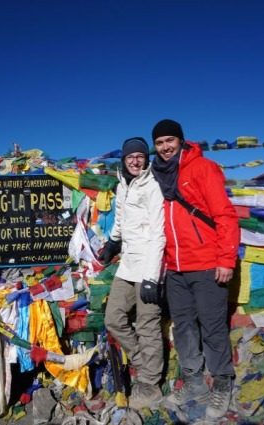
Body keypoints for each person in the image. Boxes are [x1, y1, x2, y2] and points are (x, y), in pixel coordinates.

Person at [150, 119, 240, 421]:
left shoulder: (203, 168)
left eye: (169, 140)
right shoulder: (156, 175)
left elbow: (225, 215)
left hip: (206, 264)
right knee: (184, 327)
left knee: (212, 326)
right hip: (174, 268)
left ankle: (222, 381)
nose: (165, 147)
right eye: (159, 142)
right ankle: (194, 382)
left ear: (180, 140)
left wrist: (226, 259)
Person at [101, 137, 166, 410]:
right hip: (128, 263)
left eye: (140, 156)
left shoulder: (153, 185)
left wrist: (152, 278)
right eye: (130, 157)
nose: (135, 161)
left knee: (148, 325)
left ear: (146, 159)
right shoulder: (122, 185)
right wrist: (112, 242)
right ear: (124, 160)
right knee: (113, 317)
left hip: (149, 265)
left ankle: (151, 385)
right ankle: (143, 363)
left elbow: (159, 233)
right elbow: (120, 219)